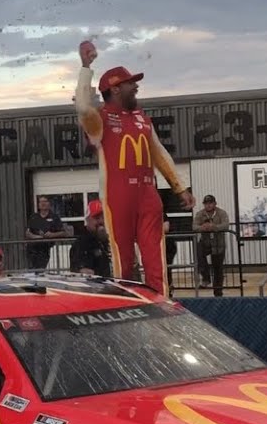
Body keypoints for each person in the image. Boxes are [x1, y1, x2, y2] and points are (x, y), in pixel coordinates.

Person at [74, 40, 193, 295]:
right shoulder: (101, 119)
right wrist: (86, 68)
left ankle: (161, 303)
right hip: (119, 197)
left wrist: (180, 188)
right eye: (130, 83)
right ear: (116, 89)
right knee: (124, 263)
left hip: (148, 194)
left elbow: (159, 153)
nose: (136, 86)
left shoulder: (142, 116)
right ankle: (126, 303)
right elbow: (83, 107)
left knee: (156, 260)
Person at [192, 195, 230, 296]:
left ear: (215, 203)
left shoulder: (221, 213)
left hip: (218, 244)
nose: (208, 205)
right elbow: (194, 226)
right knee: (198, 253)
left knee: (218, 268)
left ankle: (218, 291)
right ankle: (206, 278)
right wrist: (203, 228)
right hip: (206, 243)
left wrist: (214, 227)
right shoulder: (200, 214)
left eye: (210, 203)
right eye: (206, 204)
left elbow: (226, 225)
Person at [25, 196, 69, 269]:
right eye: (40, 202)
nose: (43, 203)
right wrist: (37, 237)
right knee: (32, 270)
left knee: (42, 269)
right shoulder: (34, 217)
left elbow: (63, 232)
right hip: (32, 249)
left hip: (46, 249)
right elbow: (27, 233)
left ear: (49, 203)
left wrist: (52, 235)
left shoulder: (54, 217)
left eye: (45, 201)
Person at [70, 200, 112, 277]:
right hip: (97, 287)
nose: (101, 221)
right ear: (87, 220)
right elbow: (83, 273)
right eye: (97, 218)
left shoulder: (110, 241)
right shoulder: (82, 244)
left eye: (104, 217)